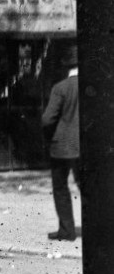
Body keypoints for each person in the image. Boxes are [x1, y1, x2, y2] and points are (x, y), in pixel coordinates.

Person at [42, 43, 81, 242]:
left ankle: (67, 231)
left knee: (60, 188)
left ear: (66, 66)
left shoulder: (60, 88)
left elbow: (47, 119)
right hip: (85, 147)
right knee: (89, 189)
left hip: (61, 147)